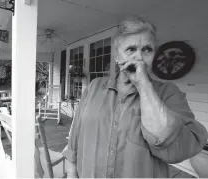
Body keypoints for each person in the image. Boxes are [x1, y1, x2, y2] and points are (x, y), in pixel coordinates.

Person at [62, 17, 208, 178]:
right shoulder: (94, 87)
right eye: (131, 49)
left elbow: (175, 151)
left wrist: (143, 84)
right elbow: (76, 134)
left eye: (147, 49)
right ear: (117, 57)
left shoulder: (168, 93)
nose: (139, 56)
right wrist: (71, 171)